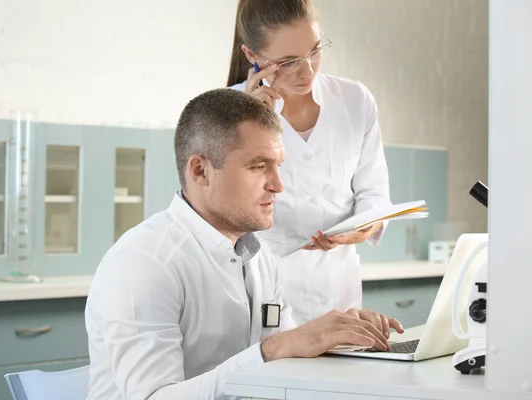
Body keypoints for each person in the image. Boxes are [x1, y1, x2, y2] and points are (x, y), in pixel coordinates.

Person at [85, 88, 403, 400]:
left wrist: (336, 337)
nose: (279, 185)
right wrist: (272, 350)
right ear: (200, 171)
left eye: (279, 165)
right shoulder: (145, 263)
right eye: (258, 166)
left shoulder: (259, 256)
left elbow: (285, 355)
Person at [227, 0, 393, 325]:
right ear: (252, 56)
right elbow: (220, 218)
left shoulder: (354, 101)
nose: (308, 71)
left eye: (315, 51)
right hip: (262, 297)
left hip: (338, 295)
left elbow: (375, 196)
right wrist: (248, 123)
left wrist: (360, 229)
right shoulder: (227, 112)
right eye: (288, 62)